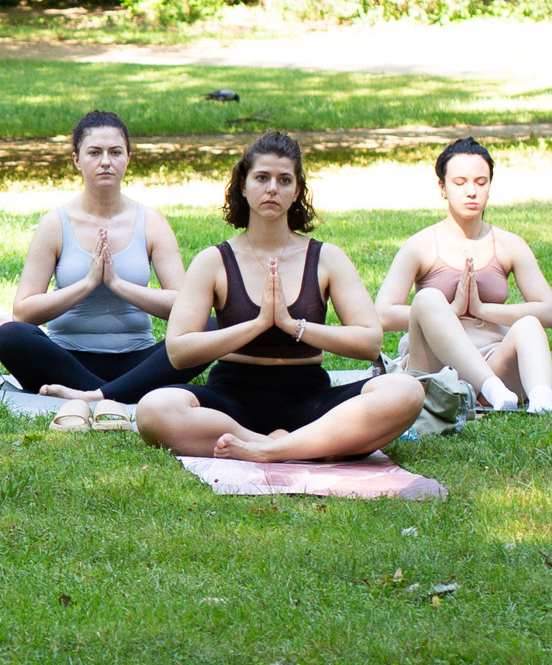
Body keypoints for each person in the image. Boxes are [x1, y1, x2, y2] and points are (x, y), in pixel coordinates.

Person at [137, 131, 424, 461]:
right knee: (154, 408)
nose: (272, 188)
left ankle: (271, 449)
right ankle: (284, 444)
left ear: (297, 191)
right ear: (243, 186)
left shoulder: (327, 258)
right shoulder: (213, 260)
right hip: (232, 400)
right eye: (262, 178)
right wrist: (258, 324)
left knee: (406, 390)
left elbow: (369, 342)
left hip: (308, 399)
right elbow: (178, 350)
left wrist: (293, 326)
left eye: (284, 180)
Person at [0, 110, 198, 420]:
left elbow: (185, 306)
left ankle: (93, 395)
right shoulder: (56, 223)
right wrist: (87, 284)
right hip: (66, 360)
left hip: (137, 361)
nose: (106, 161)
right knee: (10, 336)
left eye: (115, 152)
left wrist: (118, 285)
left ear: (128, 157)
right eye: (95, 152)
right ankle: (122, 394)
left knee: (211, 327)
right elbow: (23, 312)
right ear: (77, 159)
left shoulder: (151, 222)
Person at [375, 138, 552, 413]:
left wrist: (483, 309)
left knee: (529, 323)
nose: (471, 191)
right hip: (436, 368)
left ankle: (542, 404)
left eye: (481, 182)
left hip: (493, 359)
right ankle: (491, 389)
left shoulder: (510, 244)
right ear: (442, 188)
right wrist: (453, 309)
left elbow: (549, 313)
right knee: (428, 298)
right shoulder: (420, 245)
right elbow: (382, 315)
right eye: (460, 182)